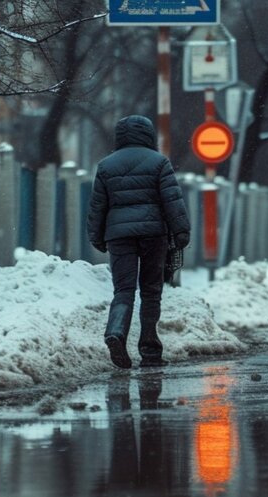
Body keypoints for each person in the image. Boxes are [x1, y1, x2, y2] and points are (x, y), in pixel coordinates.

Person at [87, 115, 191, 369]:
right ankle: (150, 348)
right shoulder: (159, 162)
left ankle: (116, 332)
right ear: (148, 135)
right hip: (153, 234)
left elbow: (97, 206)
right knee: (150, 291)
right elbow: (172, 202)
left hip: (119, 236)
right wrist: (181, 232)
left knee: (123, 290)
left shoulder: (106, 166)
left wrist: (97, 236)